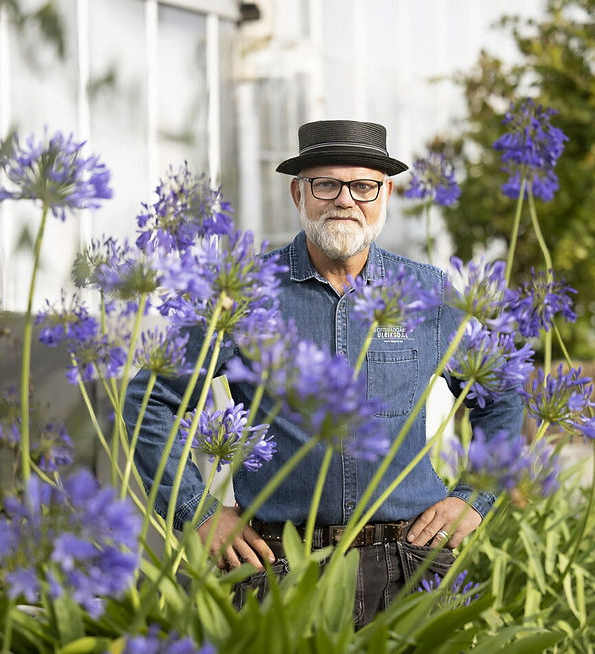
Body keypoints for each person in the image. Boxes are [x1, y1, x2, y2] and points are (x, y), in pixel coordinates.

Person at [124, 119, 524, 626]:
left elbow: (502, 395)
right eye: (326, 184)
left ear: (386, 194)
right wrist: (196, 514)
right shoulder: (242, 290)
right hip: (277, 566)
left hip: (407, 564)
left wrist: (475, 498)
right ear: (299, 193)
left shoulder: (432, 294)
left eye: (362, 186)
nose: (345, 200)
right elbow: (149, 402)